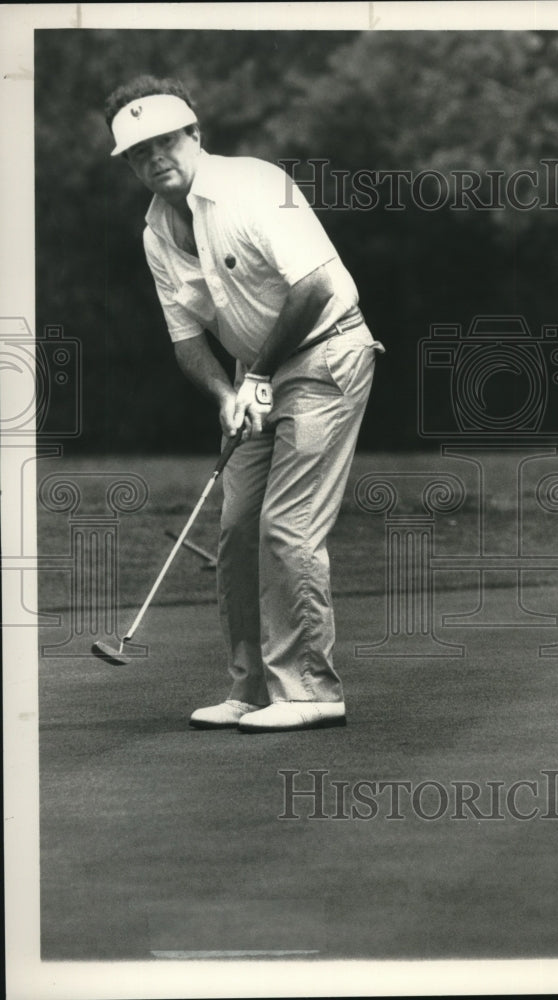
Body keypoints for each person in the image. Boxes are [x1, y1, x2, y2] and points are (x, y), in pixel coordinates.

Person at [105, 76, 383, 732]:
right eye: (138, 153)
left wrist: (256, 373)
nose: (154, 158)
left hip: (327, 355)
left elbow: (315, 286)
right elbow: (184, 338)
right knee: (234, 532)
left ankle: (311, 690)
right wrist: (229, 392)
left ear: (194, 135)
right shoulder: (156, 232)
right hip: (253, 376)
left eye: (164, 141)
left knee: (286, 526)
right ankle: (251, 690)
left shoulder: (251, 185)